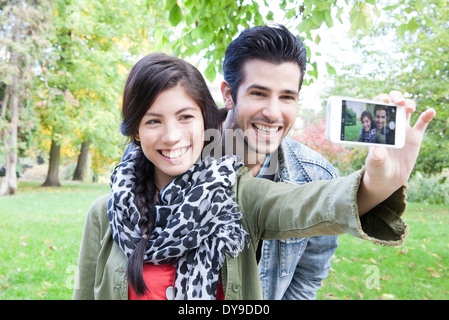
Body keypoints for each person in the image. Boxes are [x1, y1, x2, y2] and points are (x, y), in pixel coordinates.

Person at [72, 52, 434, 300]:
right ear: (136, 131)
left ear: (205, 120)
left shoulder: (238, 196)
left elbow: (310, 205)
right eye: (154, 121)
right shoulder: (105, 213)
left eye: (185, 117)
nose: (171, 136)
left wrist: (381, 181)